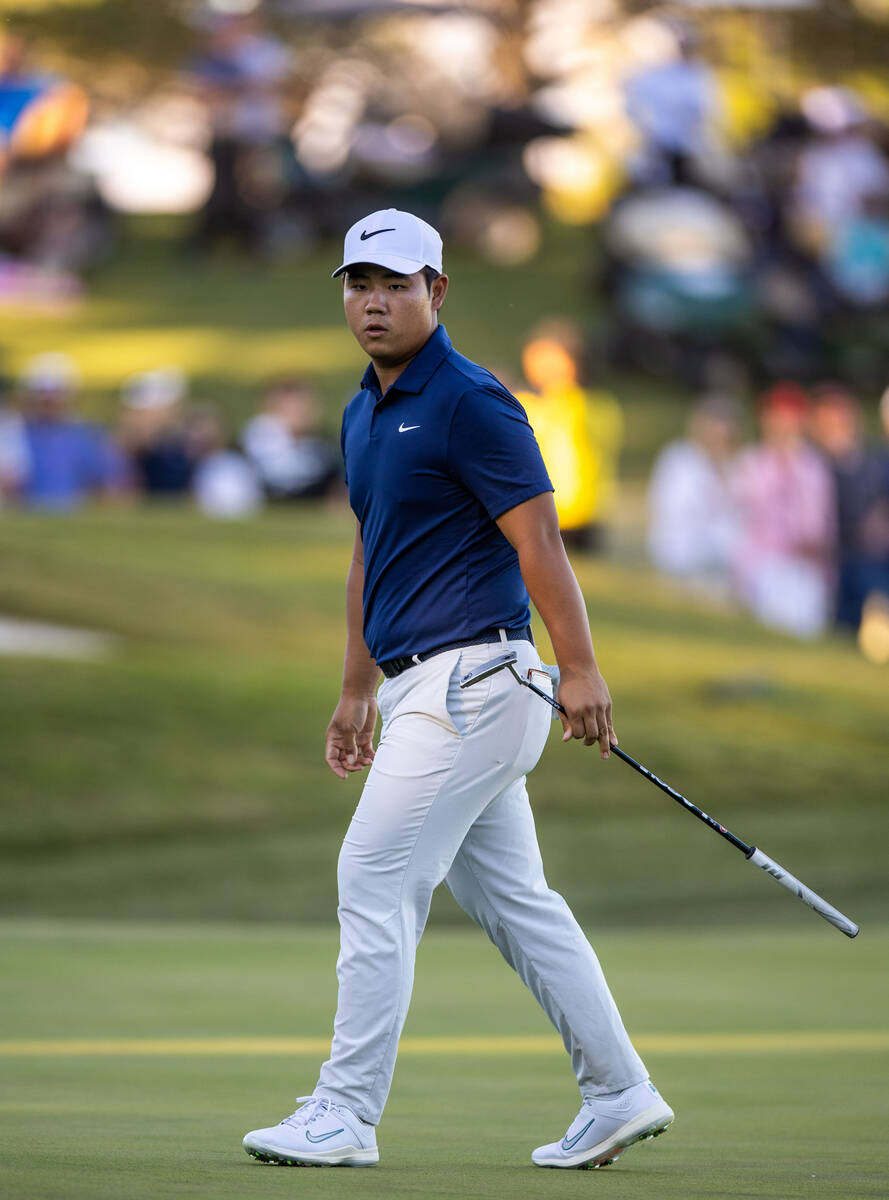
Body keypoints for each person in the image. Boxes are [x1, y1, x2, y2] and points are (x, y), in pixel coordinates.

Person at [242, 209, 673, 1170]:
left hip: (476, 681)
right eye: (359, 285)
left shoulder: (473, 400)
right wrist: (355, 688)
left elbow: (540, 542)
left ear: (437, 292)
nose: (374, 302)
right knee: (520, 904)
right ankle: (620, 1091)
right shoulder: (362, 409)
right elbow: (370, 549)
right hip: (419, 690)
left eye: (395, 284)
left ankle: (345, 1114)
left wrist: (584, 667)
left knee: (373, 876)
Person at [730, 382, 836, 639]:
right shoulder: (751, 462)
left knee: (803, 607)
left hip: (803, 565)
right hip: (761, 562)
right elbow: (742, 516)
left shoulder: (812, 466)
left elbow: (818, 525)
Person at [516, 319, 623, 552]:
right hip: (545, 512)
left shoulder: (588, 405)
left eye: (547, 359)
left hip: (580, 515)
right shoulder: (533, 403)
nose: (538, 366)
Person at [647, 393, 741, 594]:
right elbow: (675, 510)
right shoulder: (679, 459)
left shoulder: (736, 466)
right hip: (684, 551)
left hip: (723, 557)